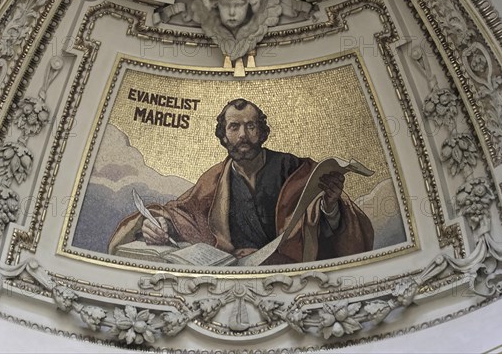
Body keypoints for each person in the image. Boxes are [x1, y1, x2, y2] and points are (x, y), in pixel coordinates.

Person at [108, 99, 374, 263]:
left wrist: (330, 204)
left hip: (287, 271)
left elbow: (330, 226)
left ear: (262, 132)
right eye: (234, 127)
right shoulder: (215, 178)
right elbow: (181, 213)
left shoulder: (294, 168)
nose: (243, 135)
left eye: (251, 126)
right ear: (223, 136)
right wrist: (159, 224)